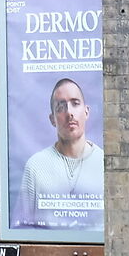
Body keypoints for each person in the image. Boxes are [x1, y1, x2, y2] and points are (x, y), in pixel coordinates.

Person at [19, 77, 102, 229]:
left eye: (75, 103)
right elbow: (23, 226)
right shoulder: (36, 166)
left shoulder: (105, 163)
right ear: (52, 119)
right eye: (61, 106)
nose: (69, 112)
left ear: (86, 111)